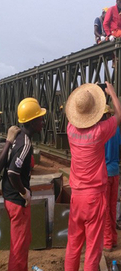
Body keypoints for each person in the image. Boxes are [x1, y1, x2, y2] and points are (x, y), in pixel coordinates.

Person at [64, 82, 121, 271]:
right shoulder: (99, 132)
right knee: (92, 249)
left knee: (73, 244)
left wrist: (85, 94)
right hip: (94, 197)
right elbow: (119, 115)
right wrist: (111, 93)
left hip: (76, 196)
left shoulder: (70, 131)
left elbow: (75, 114)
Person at [2, 98, 46, 271]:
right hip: (17, 202)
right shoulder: (25, 144)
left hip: (9, 198)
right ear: (33, 122)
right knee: (19, 249)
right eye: (40, 119)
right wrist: (24, 193)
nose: (43, 122)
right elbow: (13, 172)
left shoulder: (17, 138)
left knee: (22, 241)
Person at [102, 104, 121, 252]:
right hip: (115, 172)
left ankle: (107, 242)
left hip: (104, 174)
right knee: (113, 208)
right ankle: (114, 239)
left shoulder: (102, 130)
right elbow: (119, 150)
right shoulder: (116, 129)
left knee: (105, 209)